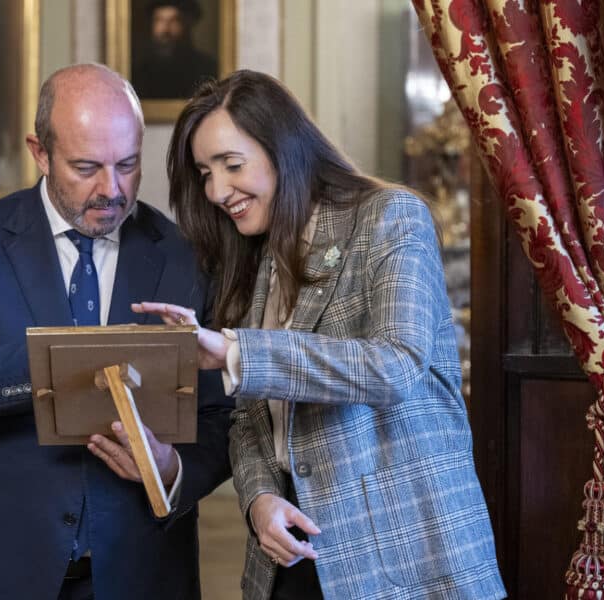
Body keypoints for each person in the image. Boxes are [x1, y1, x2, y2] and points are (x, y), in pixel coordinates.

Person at [133, 70, 506, 599]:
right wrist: (259, 498)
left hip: (406, 560)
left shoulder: (391, 218)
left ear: (283, 150)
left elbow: (396, 364)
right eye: (204, 173)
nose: (216, 191)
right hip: (292, 557)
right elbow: (249, 421)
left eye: (232, 165)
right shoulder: (255, 263)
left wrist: (240, 351)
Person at [0, 63, 232, 599]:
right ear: (40, 152)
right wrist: (57, 363)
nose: (111, 190)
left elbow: (222, 419)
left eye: (128, 165)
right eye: (86, 167)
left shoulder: (190, 259)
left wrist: (172, 468)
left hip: (138, 573)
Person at [132, 0, 217, 99]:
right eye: (159, 20)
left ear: (187, 24)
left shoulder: (206, 67)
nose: (165, 29)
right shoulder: (139, 71)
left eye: (174, 20)